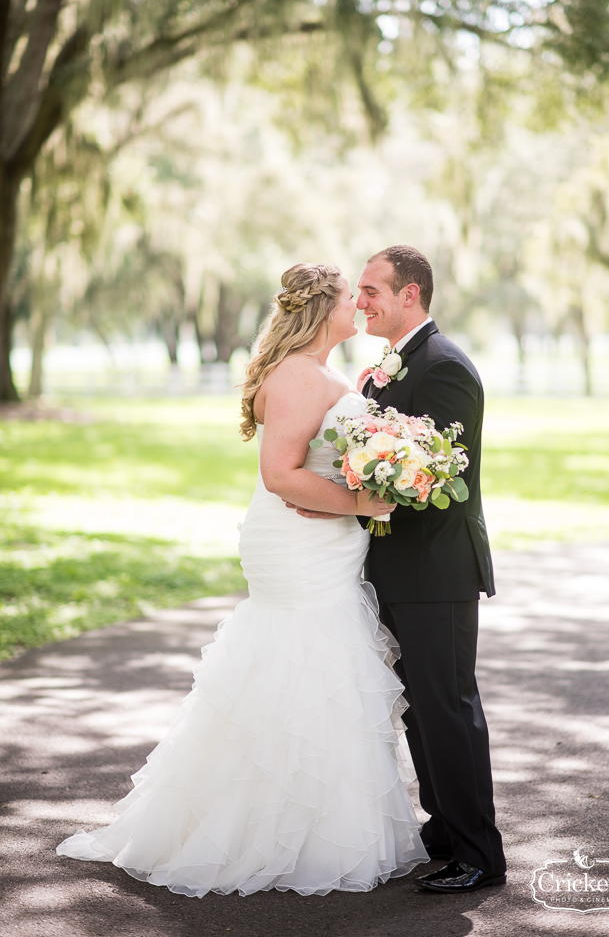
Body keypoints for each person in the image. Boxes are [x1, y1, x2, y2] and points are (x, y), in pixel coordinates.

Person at [56, 263, 429, 897]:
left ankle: (313, 823)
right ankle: (265, 833)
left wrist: (382, 475)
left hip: (325, 539)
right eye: (350, 297)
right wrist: (366, 505)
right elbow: (281, 474)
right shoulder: (295, 377)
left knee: (320, 663)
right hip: (298, 539)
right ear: (323, 311)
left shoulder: (325, 374)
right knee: (305, 657)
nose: (359, 306)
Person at [295, 245, 506, 894]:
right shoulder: (390, 367)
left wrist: (356, 497)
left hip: (437, 570)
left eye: (371, 291)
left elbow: (437, 474)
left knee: (448, 706)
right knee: (420, 709)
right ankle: (444, 831)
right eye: (357, 292)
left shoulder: (444, 368)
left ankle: (479, 855)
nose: (360, 302)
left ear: (409, 294)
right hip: (399, 569)